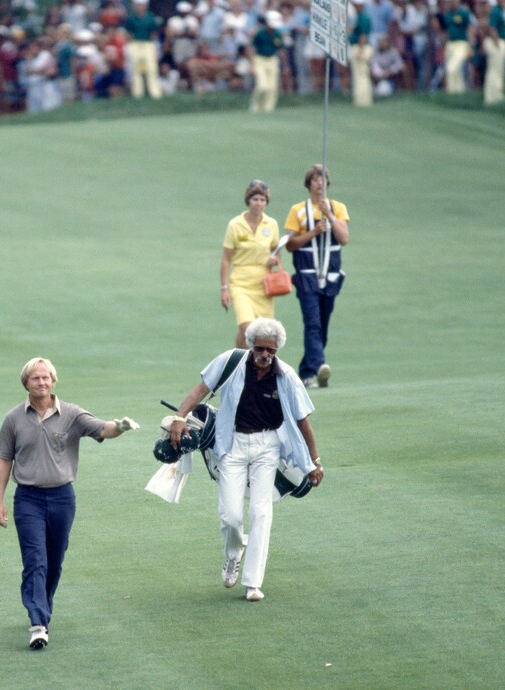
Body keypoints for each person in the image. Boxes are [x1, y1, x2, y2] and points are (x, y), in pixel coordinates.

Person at [167, 318, 324, 602]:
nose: (266, 355)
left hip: (267, 445)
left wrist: (314, 460)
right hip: (233, 443)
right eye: (261, 348)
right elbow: (199, 391)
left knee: (261, 512)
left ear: (277, 350)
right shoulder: (231, 361)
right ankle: (232, 555)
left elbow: (303, 420)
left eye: (271, 351)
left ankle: (253, 583)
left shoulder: (287, 376)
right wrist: (179, 418)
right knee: (230, 515)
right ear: (251, 345)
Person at [0, 357, 138, 650]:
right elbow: (4, 461)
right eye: (36, 379)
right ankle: (38, 622)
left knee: (54, 561)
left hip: (62, 499)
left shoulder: (71, 414)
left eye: (46, 378)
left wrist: (120, 427)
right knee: (35, 561)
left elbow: (102, 428)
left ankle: (42, 608)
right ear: (26, 383)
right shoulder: (13, 419)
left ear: (53, 381)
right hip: (28, 500)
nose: (42, 382)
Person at [283, 165, 350, 389]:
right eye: (314, 180)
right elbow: (290, 244)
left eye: (322, 179)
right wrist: (313, 233)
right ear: (308, 184)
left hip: (329, 275)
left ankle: (306, 372)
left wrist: (329, 215)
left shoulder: (338, 208)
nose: (319, 183)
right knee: (312, 323)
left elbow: (344, 238)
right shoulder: (298, 211)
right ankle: (320, 365)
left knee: (323, 324)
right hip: (307, 275)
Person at [220, 180, 281, 350]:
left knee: (263, 332)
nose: (259, 203)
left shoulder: (272, 224)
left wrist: (274, 260)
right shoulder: (235, 225)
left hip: (264, 284)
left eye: (262, 200)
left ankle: (252, 366)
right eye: (255, 199)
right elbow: (226, 258)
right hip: (240, 282)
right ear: (248, 201)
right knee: (246, 327)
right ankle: (240, 359)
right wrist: (224, 288)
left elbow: (276, 251)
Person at [123, 0, 164, 99]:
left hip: (147, 43)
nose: (140, 7)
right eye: (138, 5)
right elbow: (128, 32)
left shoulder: (150, 17)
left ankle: (155, 93)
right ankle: (137, 94)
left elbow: (154, 32)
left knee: (151, 68)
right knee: (136, 69)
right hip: (135, 43)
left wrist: (153, 44)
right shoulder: (132, 18)